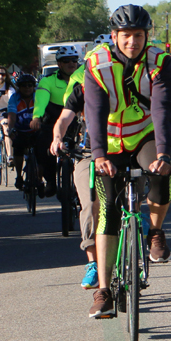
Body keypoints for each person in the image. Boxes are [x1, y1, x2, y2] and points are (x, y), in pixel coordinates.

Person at [84, 5, 171, 320]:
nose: (132, 42)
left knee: (161, 170)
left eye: (138, 35)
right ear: (114, 36)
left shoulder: (160, 61)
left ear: (146, 36)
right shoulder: (97, 64)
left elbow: (163, 107)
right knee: (109, 207)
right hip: (108, 142)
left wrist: (165, 152)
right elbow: (94, 111)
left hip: (144, 135)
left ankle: (154, 231)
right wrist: (98, 155)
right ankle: (104, 290)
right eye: (126, 36)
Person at [49, 67, 99, 289]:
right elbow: (63, 119)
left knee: (129, 200)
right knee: (89, 204)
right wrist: (57, 138)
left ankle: (134, 240)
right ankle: (93, 263)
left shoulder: (127, 88)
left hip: (121, 153)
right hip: (88, 154)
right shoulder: (81, 91)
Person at [31, 46, 81, 196]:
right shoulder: (48, 81)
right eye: (66, 61)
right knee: (44, 146)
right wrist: (36, 117)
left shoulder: (83, 77)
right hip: (53, 121)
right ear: (59, 64)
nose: (71, 63)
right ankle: (51, 181)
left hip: (77, 121)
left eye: (74, 60)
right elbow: (41, 100)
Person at [7, 73, 41, 192]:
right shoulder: (14, 98)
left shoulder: (38, 96)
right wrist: (11, 128)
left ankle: (39, 178)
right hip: (21, 130)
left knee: (41, 152)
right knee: (18, 148)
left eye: (30, 85)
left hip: (37, 130)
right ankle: (19, 175)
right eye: (24, 85)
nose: (27, 88)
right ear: (19, 87)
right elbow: (11, 115)